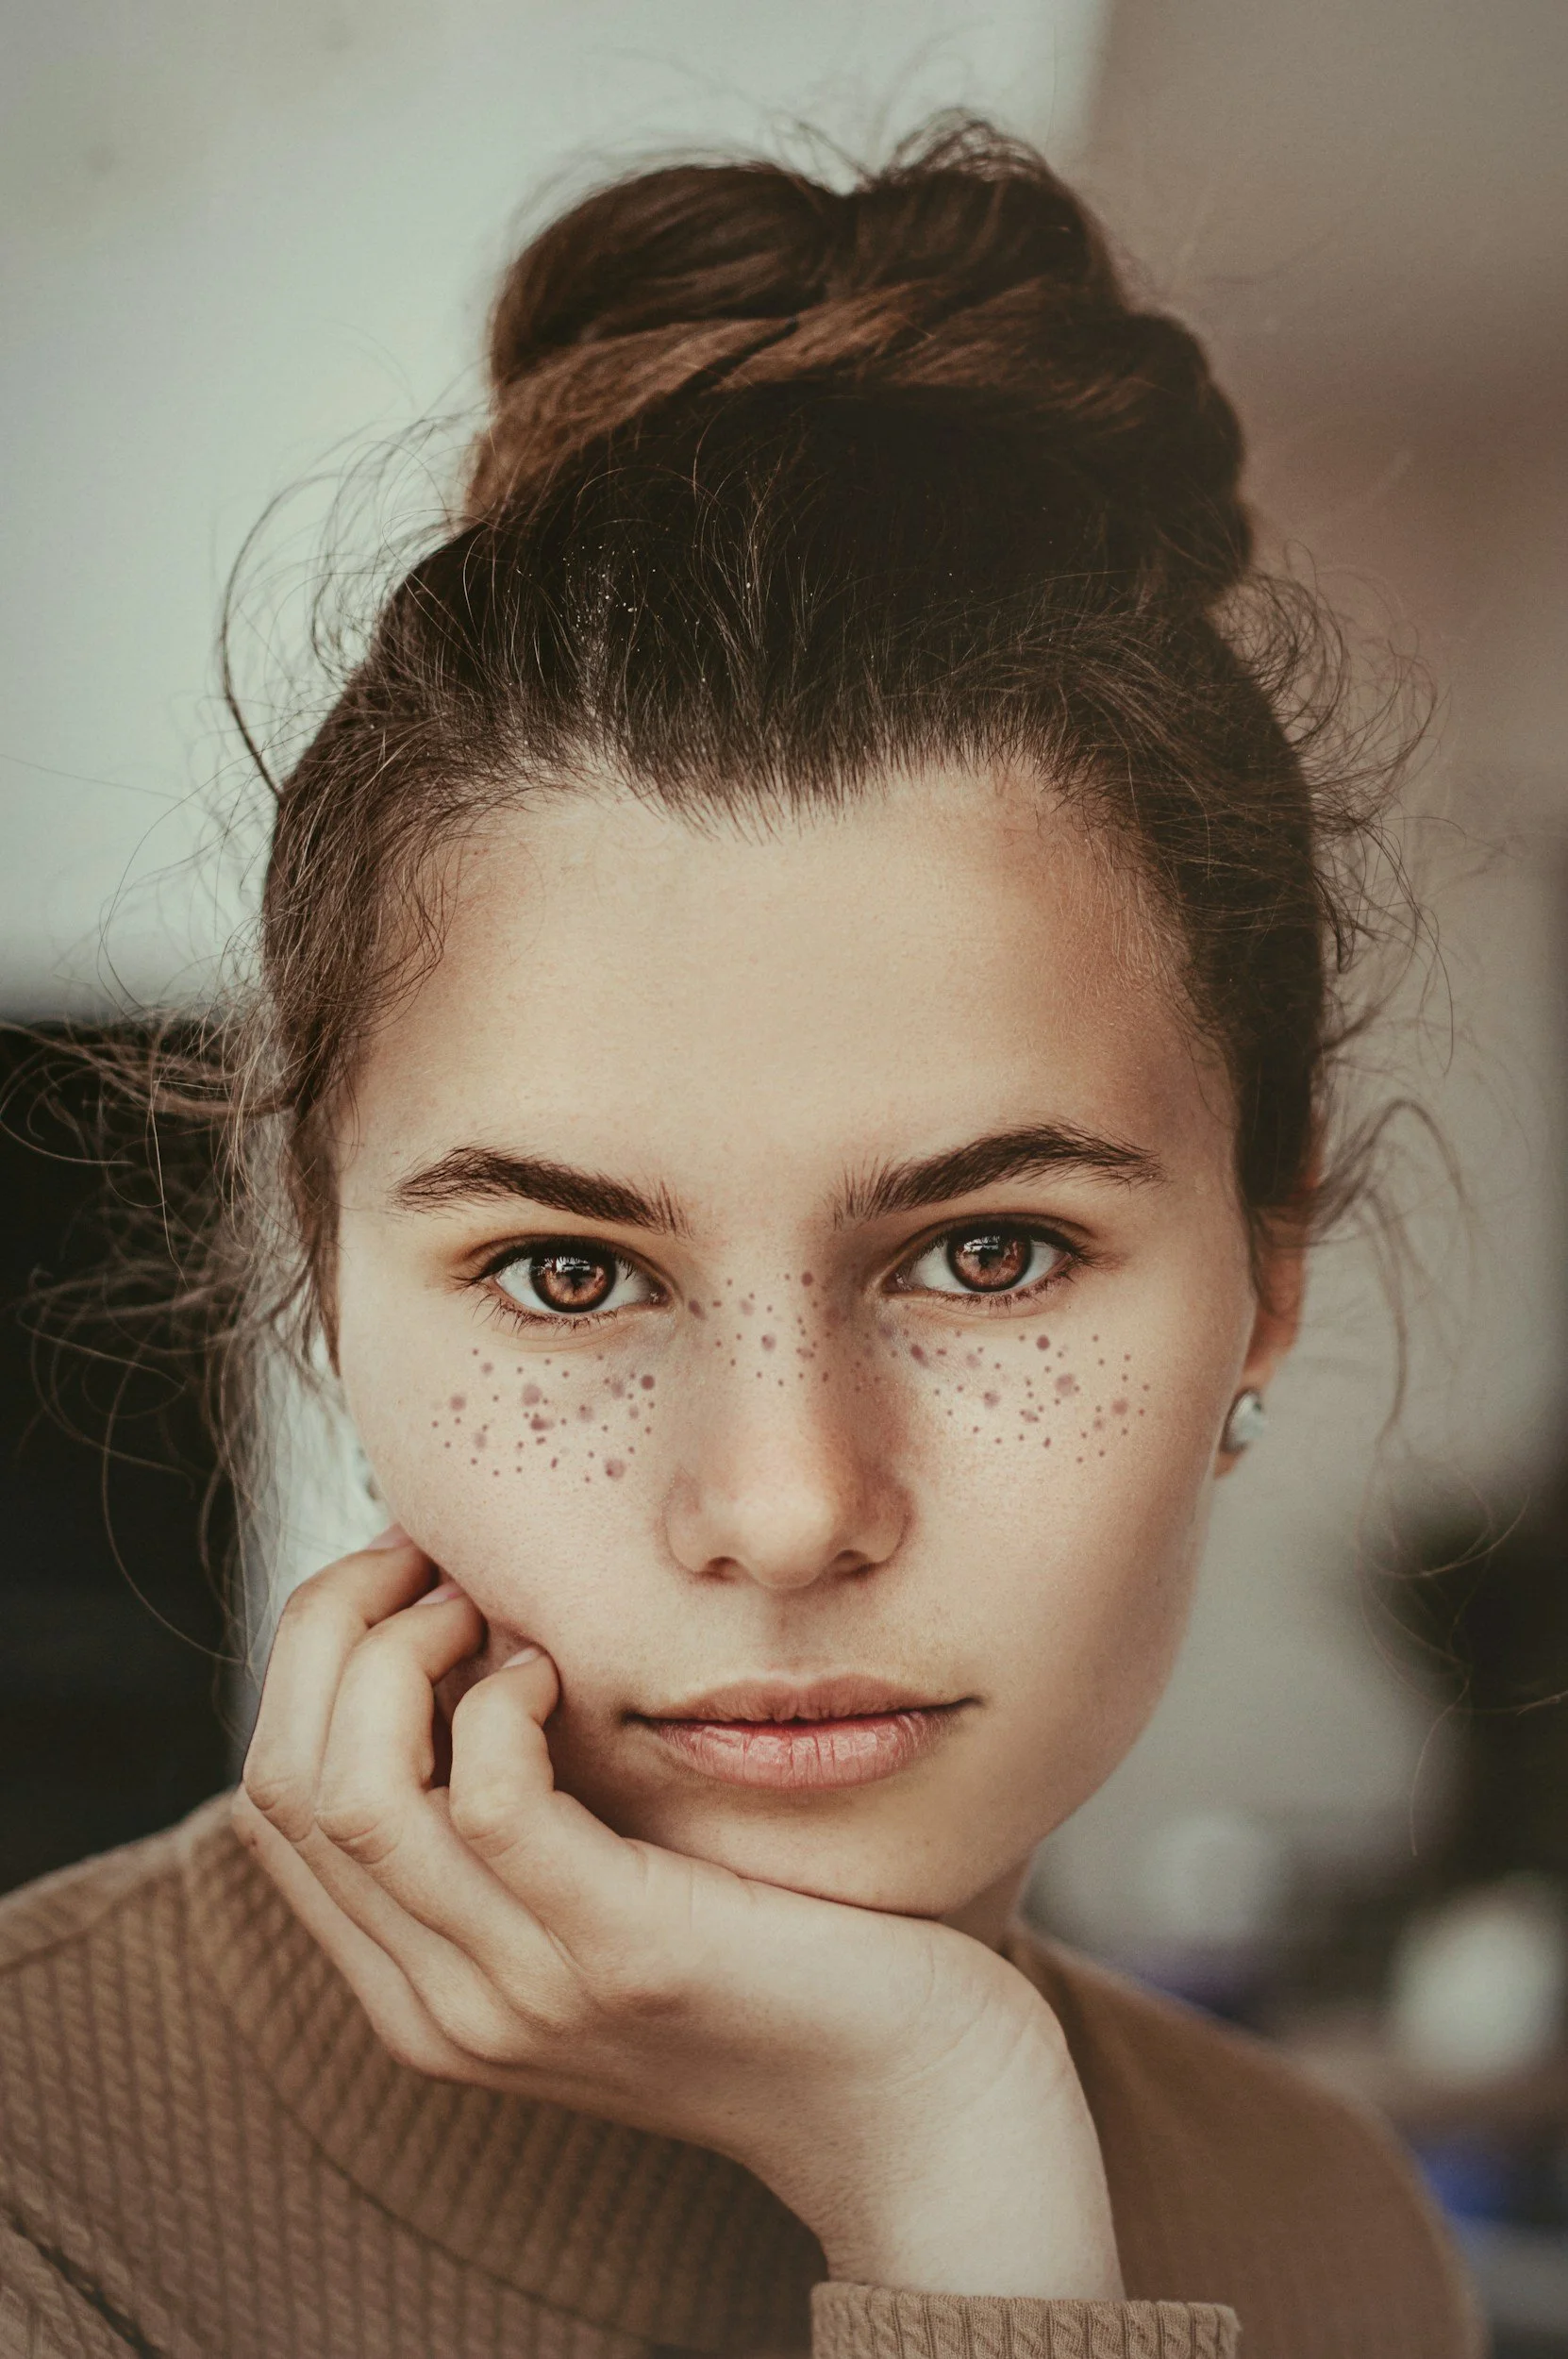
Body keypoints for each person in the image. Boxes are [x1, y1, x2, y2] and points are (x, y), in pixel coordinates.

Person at [0, 119, 1480, 2359]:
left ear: (1266, 1268)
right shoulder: (41, 2204)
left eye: (987, 1250)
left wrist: (956, 2169)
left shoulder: (1330, 2233)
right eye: (569, 1272)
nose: (785, 1504)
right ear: (319, 1282)